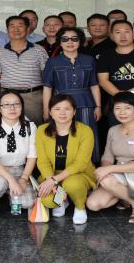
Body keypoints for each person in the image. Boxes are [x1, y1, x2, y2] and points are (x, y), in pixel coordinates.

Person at [86, 92, 134, 224]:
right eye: (118, 108)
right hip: (119, 175)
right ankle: (124, 196)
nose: (122, 112)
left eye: (127, 108)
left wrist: (109, 170)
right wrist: (105, 170)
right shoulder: (113, 130)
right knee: (93, 204)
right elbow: (107, 157)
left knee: (107, 181)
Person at [43, 26, 102, 162]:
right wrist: (46, 110)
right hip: (61, 106)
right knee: (64, 135)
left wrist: (98, 106)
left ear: (80, 41)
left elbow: (94, 84)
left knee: (87, 135)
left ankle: (90, 165)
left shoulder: (89, 60)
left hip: (86, 104)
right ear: (60, 42)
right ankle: (66, 166)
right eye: (65, 39)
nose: (70, 42)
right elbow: (47, 87)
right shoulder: (52, 62)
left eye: (74, 39)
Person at [35, 94, 95, 225]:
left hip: (78, 174)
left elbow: (81, 163)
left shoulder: (85, 131)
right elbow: (43, 161)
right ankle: (63, 200)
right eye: (57, 109)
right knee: (48, 200)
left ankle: (80, 207)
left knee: (72, 184)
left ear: (74, 112)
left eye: (67, 109)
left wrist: (54, 181)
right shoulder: (41, 130)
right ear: (50, 112)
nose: (62, 113)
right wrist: (52, 181)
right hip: (52, 174)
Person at [0, 91, 38, 220]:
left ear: (22, 107)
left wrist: (23, 179)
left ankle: (12, 194)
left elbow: (32, 156)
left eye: (16, 104)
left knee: (28, 203)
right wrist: (11, 180)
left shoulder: (30, 127)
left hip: (19, 170)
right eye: (6, 105)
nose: (12, 108)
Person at [0, 16, 49, 124]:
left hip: (33, 98)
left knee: (34, 128)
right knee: (10, 128)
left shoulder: (39, 50)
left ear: (27, 29)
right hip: (8, 97)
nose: (16, 29)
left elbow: (46, 77)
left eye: (20, 26)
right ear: (7, 30)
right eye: (12, 26)